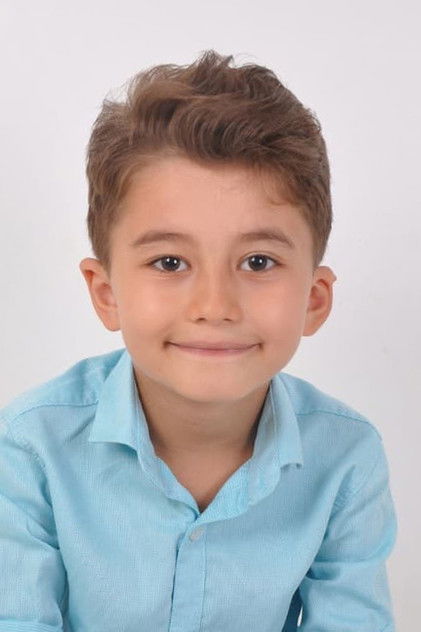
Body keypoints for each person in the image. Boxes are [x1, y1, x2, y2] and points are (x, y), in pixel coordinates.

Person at [0, 50, 397, 631]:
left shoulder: (345, 457)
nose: (215, 306)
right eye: (169, 262)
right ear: (107, 294)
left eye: (258, 261)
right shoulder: (30, 446)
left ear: (314, 299)